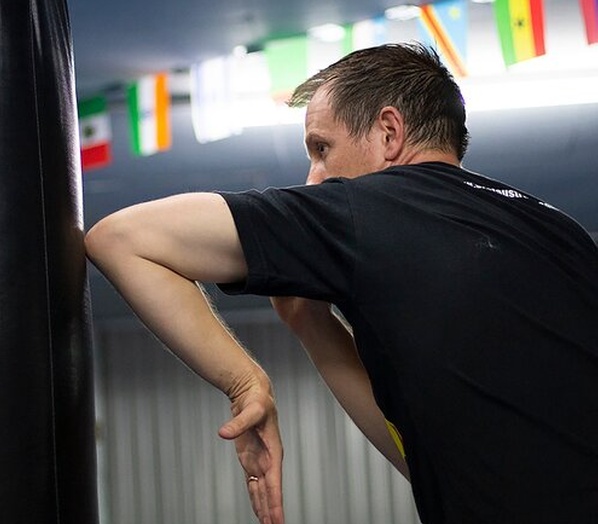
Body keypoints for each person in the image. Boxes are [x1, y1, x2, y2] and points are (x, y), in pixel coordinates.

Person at [84, 43, 598, 524]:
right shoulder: (560, 231)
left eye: (321, 148)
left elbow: (122, 239)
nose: (314, 178)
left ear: (389, 133)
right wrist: (311, 326)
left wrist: (245, 383)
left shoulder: (365, 208)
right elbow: (434, 459)